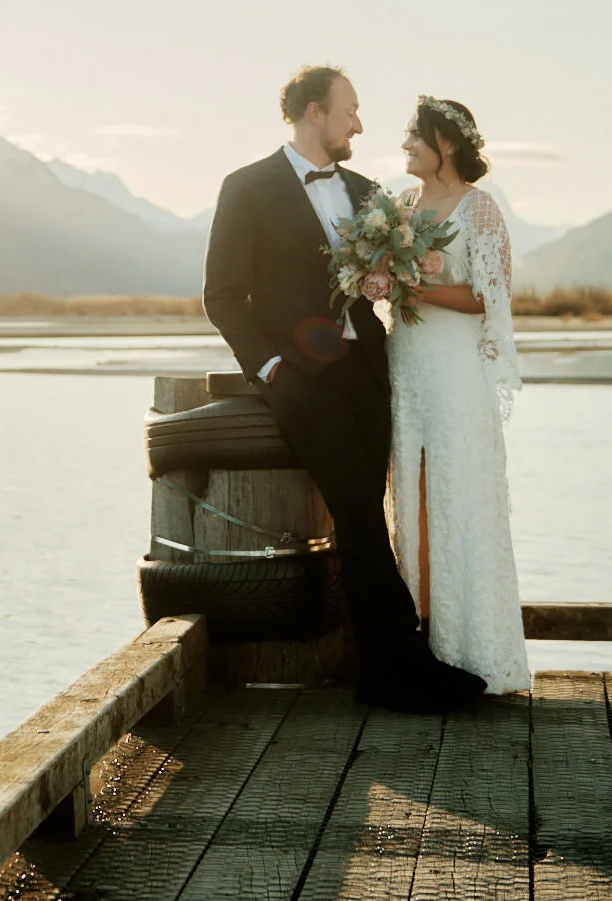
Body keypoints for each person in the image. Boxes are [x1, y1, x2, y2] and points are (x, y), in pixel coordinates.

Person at [203, 66, 487, 714]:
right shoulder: (244, 188)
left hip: (368, 372)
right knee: (357, 511)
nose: (359, 123)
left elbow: (380, 281)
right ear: (312, 112)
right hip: (302, 383)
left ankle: (383, 672)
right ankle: (405, 666)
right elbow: (222, 295)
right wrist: (270, 369)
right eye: (350, 110)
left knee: (364, 513)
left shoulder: (364, 191)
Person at [372, 96, 531, 694]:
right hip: (407, 363)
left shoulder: (480, 209)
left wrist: (416, 287)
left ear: (448, 145)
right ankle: (421, 646)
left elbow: (492, 298)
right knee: (409, 498)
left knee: (456, 495)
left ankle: (474, 651)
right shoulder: (400, 207)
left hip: (455, 372)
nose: (406, 144)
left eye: (416, 136)